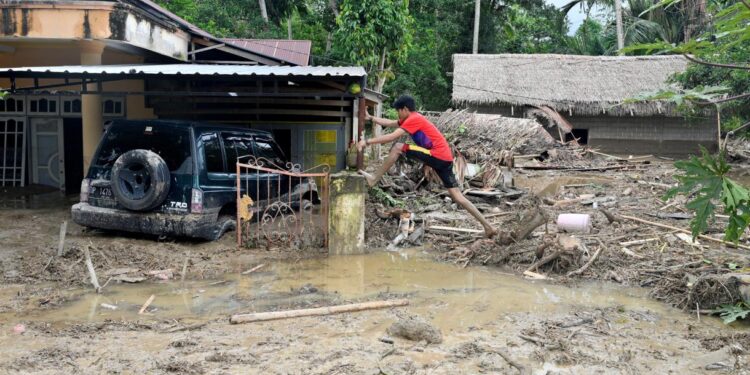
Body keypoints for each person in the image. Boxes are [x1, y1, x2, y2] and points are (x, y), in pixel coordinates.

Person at [357, 95, 497, 238]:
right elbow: (392, 123)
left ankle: (374, 179)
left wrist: (367, 142)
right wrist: (371, 118)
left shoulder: (414, 119)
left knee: (398, 146)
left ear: (405, 109)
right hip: (446, 158)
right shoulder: (412, 118)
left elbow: (391, 137)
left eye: (398, 111)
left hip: (436, 155)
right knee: (457, 196)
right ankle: (488, 227)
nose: (398, 115)